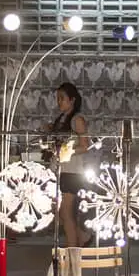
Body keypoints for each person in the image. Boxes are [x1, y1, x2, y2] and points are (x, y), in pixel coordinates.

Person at [45, 82, 91, 248]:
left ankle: (72, 250)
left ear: (72, 100)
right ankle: (83, 237)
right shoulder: (62, 119)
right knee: (61, 213)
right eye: (58, 99)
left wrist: (67, 151)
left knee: (65, 212)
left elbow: (85, 145)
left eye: (62, 98)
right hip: (59, 169)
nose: (59, 102)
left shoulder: (77, 119)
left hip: (71, 172)